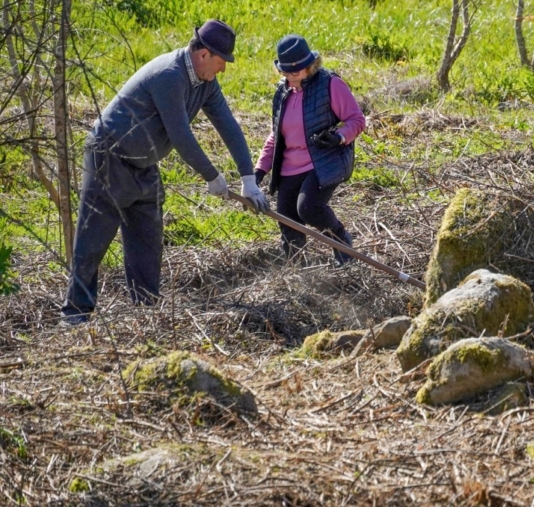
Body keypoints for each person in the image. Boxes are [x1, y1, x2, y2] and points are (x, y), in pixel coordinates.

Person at [61, 19, 270, 325]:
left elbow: (228, 125)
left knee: (147, 240)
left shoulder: (206, 84)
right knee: (93, 241)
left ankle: (145, 313)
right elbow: (180, 135)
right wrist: (211, 176)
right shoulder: (169, 76)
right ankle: (75, 316)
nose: (223, 69)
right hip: (109, 158)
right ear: (204, 55)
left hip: (144, 165)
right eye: (222, 62)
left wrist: (248, 180)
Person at [254, 34, 365, 267]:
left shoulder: (330, 84)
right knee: (287, 221)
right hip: (288, 168)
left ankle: (341, 242)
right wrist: (259, 170)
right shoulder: (282, 92)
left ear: (309, 67)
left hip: (321, 163)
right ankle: (301, 276)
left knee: (309, 208)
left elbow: (356, 119)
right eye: (285, 73)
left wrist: (339, 138)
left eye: (295, 73)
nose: (290, 77)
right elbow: (276, 134)